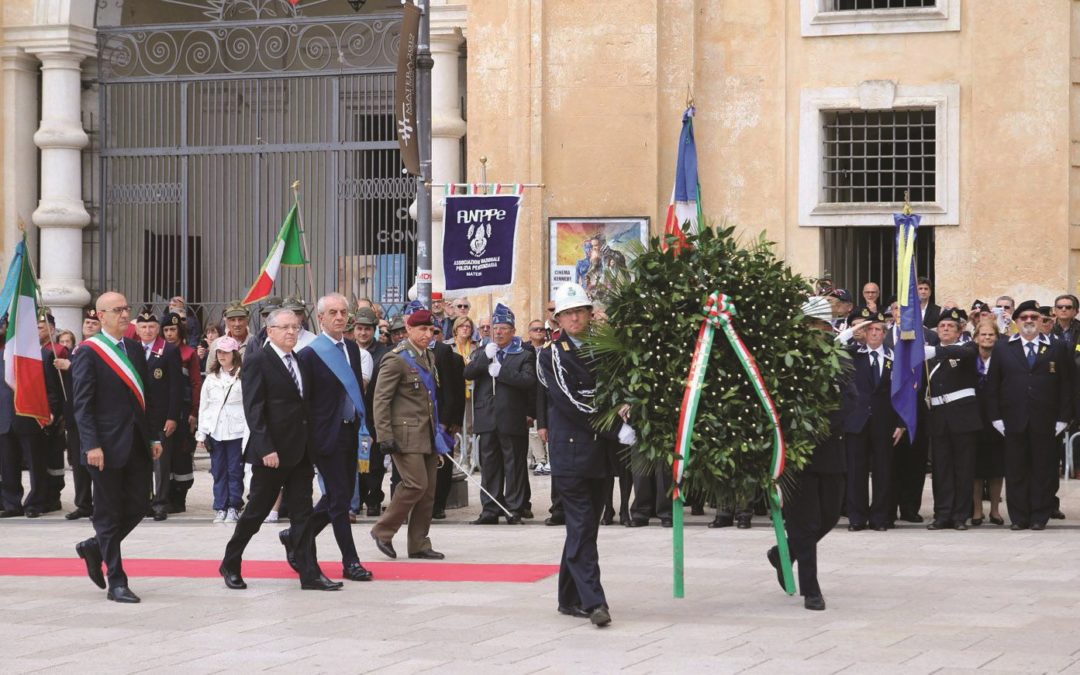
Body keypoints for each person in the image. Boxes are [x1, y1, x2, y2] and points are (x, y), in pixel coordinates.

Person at [219, 308, 341, 591]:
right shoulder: (257, 359)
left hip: (300, 451)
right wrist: (265, 448)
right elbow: (254, 408)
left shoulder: (297, 358)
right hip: (272, 453)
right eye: (284, 327)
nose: (291, 332)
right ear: (270, 330)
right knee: (256, 513)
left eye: (295, 327)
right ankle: (231, 561)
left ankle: (309, 574)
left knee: (302, 514)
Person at [536, 282, 635, 628]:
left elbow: (618, 388)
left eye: (579, 310)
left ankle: (567, 597)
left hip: (599, 456)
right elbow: (571, 403)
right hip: (572, 455)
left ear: (591, 313)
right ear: (558, 319)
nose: (574, 317)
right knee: (580, 526)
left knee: (586, 527)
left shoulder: (603, 348)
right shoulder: (551, 354)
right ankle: (594, 601)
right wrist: (614, 428)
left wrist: (627, 408)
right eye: (567, 313)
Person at [71, 292, 162, 603]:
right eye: (118, 310)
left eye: (127, 308)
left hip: (136, 443)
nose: (125, 315)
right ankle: (117, 581)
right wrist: (91, 444)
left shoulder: (135, 349)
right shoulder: (88, 351)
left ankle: (94, 546)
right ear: (100, 315)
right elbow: (82, 405)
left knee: (139, 505)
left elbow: (146, 398)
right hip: (104, 447)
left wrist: (153, 437)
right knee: (108, 512)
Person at [768, 302, 854, 611]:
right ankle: (811, 589)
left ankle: (785, 552)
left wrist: (825, 424)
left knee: (830, 515)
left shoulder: (838, 358)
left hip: (831, 446)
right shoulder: (788, 360)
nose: (813, 331)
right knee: (805, 521)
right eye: (808, 325)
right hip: (799, 452)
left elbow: (850, 397)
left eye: (818, 326)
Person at [294, 293, 374, 583]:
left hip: (350, 431)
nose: (340, 317)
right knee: (340, 501)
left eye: (343, 312)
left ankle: (297, 536)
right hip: (325, 436)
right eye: (333, 313)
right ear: (321, 318)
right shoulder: (309, 354)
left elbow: (357, 393)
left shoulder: (352, 349)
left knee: (336, 497)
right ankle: (350, 562)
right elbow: (306, 401)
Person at [369, 309, 449, 561]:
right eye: (422, 330)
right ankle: (383, 530)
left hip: (427, 433)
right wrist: (384, 436)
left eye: (431, 330)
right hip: (404, 434)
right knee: (416, 484)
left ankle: (419, 543)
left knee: (428, 491)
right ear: (409, 330)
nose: (428, 334)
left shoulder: (428, 356)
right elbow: (380, 400)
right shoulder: (397, 359)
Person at [986, 300, 1072, 530]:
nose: (1029, 321)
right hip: (1013, 421)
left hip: (1046, 421)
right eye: (1024, 317)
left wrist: (1063, 419)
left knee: (1043, 470)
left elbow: (1067, 386)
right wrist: (996, 418)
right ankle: (1019, 517)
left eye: (1034, 317)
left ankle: (1039, 516)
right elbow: (993, 384)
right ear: (1016, 321)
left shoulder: (1057, 347)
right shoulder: (1004, 347)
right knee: (1015, 470)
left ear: (1042, 321)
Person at [464, 304, 536, 524]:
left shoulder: (523, 354)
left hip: (512, 418)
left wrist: (502, 372)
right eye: (496, 327)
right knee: (489, 466)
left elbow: (528, 381)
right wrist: (485, 358)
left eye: (504, 328)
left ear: (513, 331)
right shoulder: (482, 352)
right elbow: (468, 373)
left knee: (514, 465)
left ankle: (514, 508)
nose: (499, 332)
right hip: (487, 417)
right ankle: (490, 509)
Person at [843, 311, 904, 531]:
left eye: (878, 329)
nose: (874, 333)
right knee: (856, 472)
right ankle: (857, 517)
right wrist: (852, 331)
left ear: (884, 333)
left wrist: (900, 423)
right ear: (864, 333)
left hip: (884, 422)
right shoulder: (852, 354)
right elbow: (834, 347)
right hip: (857, 421)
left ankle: (880, 517)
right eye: (870, 329)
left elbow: (902, 392)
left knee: (883, 471)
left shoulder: (893, 356)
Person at [923, 309, 981, 530]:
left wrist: (934, 351)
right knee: (941, 468)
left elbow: (967, 354)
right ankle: (942, 514)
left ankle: (960, 516)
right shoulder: (929, 355)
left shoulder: (966, 348)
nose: (945, 329)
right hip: (939, 416)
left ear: (959, 332)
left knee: (963, 468)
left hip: (962, 416)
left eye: (950, 327)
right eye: (942, 327)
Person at [134, 311, 183, 521]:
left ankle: (161, 503)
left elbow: (176, 387)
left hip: (161, 416)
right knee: (141, 460)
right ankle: (143, 502)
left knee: (161, 462)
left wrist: (172, 416)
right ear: (137, 329)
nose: (147, 330)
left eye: (151, 327)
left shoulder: (168, 350)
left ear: (157, 329)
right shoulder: (132, 349)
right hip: (139, 416)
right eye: (143, 327)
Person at [195, 336, 246, 523]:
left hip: (236, 430)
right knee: (218, 470)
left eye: (226, 352)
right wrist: (202, 433)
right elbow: (204, 406)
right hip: (216, 429)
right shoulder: (211, 378)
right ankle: (220, 506)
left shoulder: (243, 376)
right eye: (219, 352)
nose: (222, 355)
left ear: (234, 354)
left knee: (234, 470)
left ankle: (234, 505)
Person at [161, 312, 201, 513]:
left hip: (184, 412)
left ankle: (180, 498)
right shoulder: (159, 353)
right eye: (166, 330)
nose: (169, 334)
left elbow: (195, 383)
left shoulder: (188, 353)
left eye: (173, 330)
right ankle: (165, 496)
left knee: (182, 454)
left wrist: (194, 411)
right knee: (165, 456)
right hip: (164, 412)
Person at [355, 308, 390, 517]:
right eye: (359, 329)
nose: (362, 333)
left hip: (375, 413)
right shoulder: (348, 349)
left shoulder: (383, 353)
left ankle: (374, 499)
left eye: (367, 329)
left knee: (375, 461)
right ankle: (356, 498)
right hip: (355, 413)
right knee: (357, 461)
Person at [972, 318, 1005, 526]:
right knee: (975, 467)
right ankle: (976, 510)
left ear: (997, 337)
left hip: (998, 418)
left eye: (991, 334)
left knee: (996, 467)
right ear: (976, 338)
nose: (987, 338)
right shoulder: (969, 358)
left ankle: (994, 510)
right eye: (983, 334)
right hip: (974, 418)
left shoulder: (1003, 358)